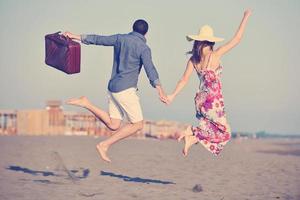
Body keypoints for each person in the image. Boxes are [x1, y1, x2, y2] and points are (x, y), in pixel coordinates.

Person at [63, 19, 168, 162]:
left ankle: (86, 103)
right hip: (125, 90)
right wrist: (159, 89)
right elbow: (150, 69)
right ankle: (104, 145)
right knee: (137, 125)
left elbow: (99, 39)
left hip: (113, 88)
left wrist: (75, 36)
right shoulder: (144, 48)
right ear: (146, 33)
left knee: (114, 125)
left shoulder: (120, 38)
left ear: (133, 28)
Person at [167, 10, 252, 156]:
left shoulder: (194, 60)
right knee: (224, 133)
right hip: (213, 100)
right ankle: (191, 132)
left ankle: (191, 138)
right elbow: (237, 39)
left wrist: (172, 95)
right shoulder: (215, 55)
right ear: (211, 42)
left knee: (211, 129)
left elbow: (184, 80)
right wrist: (245, 17)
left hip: (201, 100)